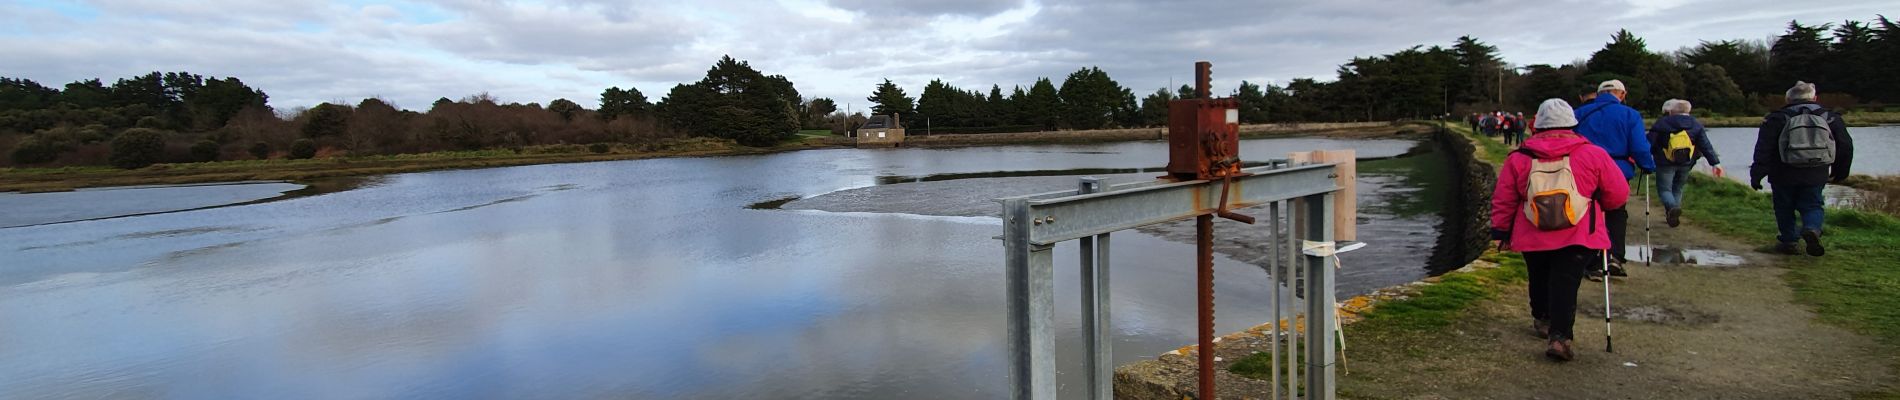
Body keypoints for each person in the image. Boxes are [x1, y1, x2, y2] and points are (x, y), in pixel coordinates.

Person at [1492, 98, 1631, 361]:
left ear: (1537, 125)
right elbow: (1618, 195)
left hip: (1531, 230)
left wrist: (1500, 231)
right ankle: (1560, 336)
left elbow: (1504, 198)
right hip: (1579, 232)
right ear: (1572, 124)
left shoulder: (1519, 158)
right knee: (1566, 282)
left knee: (1539, 275)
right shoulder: (1593, 154)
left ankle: (1542, 319)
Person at [1751, 81, 1854, 256]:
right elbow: (1845, 146)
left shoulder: (1776, 118)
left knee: (1784, 206)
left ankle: (1789, 242)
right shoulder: (1830, 117)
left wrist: (1757, 174)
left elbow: (1764, 149)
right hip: (1817, 170)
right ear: (1814, 97)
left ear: (1788, 99)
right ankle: (1812, 229)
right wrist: (1840, 171)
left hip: (1783, 172)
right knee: (1813, 204)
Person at [1572, 80, 1655, 278]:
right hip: (1616, 170)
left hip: (1584, 170)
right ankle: (1614, 257)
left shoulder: (1579, 114)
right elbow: (1639, 147)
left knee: (1586, 212)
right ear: (1622, 94)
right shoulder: (1630, 115)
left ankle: (1590, 261)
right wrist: (1648, 165)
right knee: (1616, 211)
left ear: (1599, 94)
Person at [1648, 99, 1721, 228]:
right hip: (1686, 162)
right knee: (1678, 188)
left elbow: (1649, 142)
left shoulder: (1662, 123)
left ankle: (1672, 208)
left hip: (1665, 162)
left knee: (1665, 189)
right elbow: (1705, 145)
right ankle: (1673, 213)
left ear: (1672, 111)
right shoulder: (1696, 124)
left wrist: (1644, 157)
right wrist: (1715, 163)